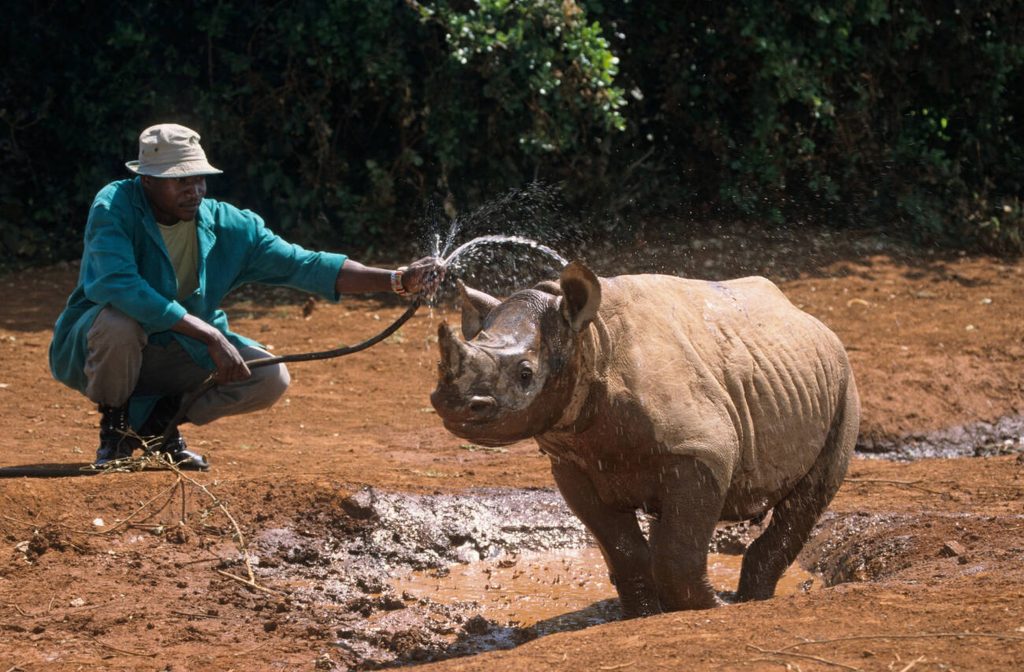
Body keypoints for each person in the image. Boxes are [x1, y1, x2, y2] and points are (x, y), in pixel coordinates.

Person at [49, 123, 443, 471]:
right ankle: (115, 430)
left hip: (178, 349)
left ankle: (158, 428)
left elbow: (304, 265)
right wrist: (210, 336)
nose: (194, 190)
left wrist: (397, 279)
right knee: (121, 322)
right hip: (99, 349)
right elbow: (120, 286)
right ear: (147, 180)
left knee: (270, 376)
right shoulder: (114, 206)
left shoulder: (228, 224)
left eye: (199, 178)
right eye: (179, 180)